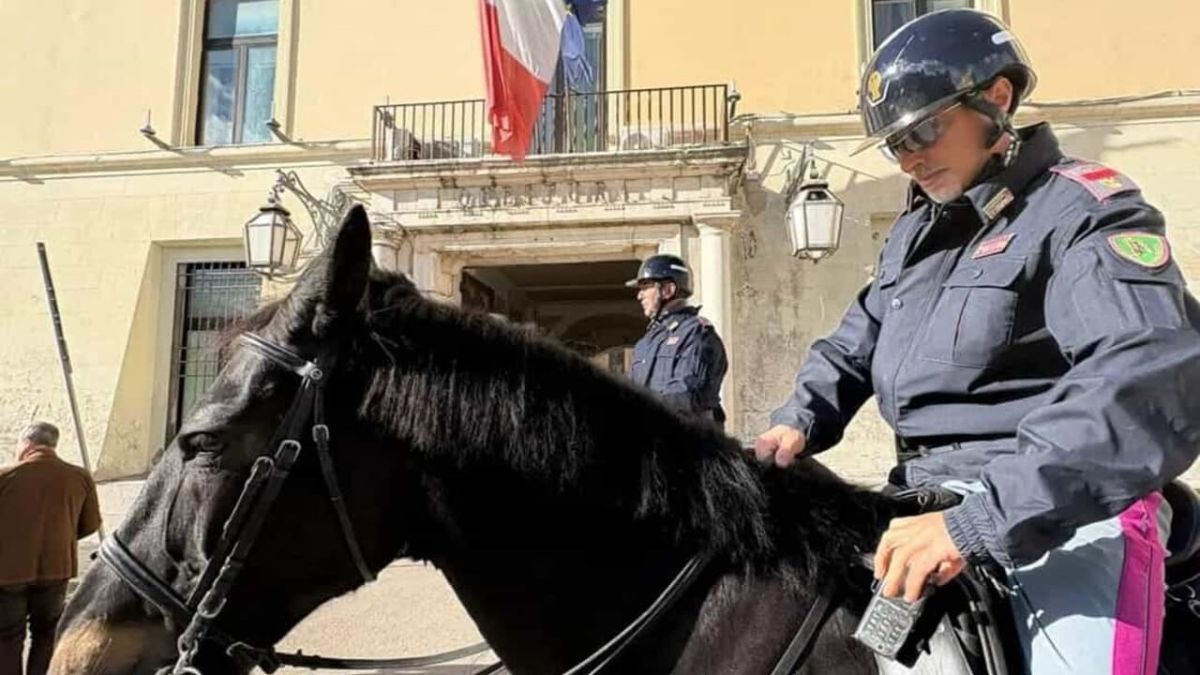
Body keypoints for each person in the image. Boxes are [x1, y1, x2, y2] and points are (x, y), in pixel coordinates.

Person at [751, 9, 1200, 674]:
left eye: (924, 129)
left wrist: (980, 520)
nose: (909, 157)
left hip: (1063, 510)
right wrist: (797, 421)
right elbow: (857, 340)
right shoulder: (914, 235)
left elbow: (1148, 372)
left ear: (997, 98)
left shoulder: (1081, 211)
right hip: (920, 501)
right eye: (894, 144)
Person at [0, 422, 101, 675]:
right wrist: (60, 537)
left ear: (27, 444)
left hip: (7, 572)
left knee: (7, 636)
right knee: (46, 634)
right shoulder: (80, 477)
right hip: (57, 570)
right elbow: (90, 524)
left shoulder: (5, 477)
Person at [626, 254, 729, 426]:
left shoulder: (698, 334)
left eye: (645, 287)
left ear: (668, 290)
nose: (639, 296)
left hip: (689, 444)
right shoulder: (645, 342)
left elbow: (688, 393)